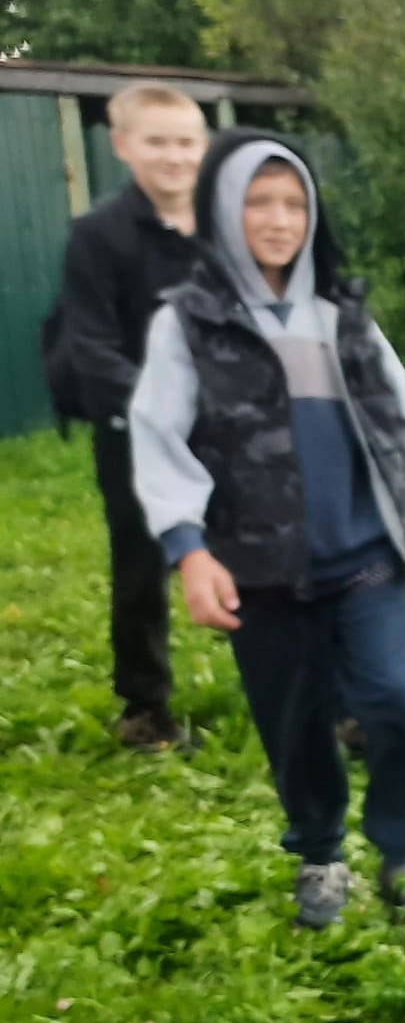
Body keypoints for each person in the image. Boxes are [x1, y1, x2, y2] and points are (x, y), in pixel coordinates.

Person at [127, 131, 405, 935]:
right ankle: (321, 853)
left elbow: (404, 423)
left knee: (395, 703)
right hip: (262, 572)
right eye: (259, 201)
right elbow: (158, 437)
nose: (279, 219)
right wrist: (190, 550)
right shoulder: (190, 326)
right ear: (224, 210)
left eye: (294, 202)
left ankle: (404, 851)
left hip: (366, 563)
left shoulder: (342, 319)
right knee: (296, 723)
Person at [42, 83, 207, 749]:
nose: (174, 156)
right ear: (122, 146)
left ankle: (325, 700)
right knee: (141, 566)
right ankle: (145, 710)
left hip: (227, 427)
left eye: (186, 142)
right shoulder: (97, 235)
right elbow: (89, 344)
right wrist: (160, 414)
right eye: (157, 141)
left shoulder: (227, 225)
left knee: (276, 558)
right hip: (132, 432)